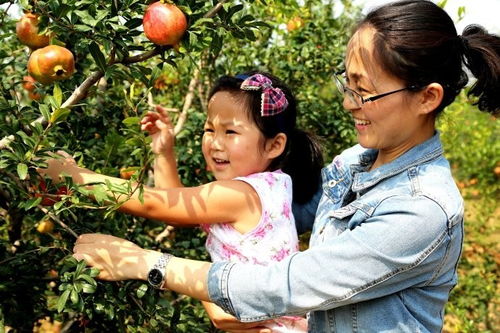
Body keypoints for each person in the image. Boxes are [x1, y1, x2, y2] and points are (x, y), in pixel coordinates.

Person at [58, 0, 500, 331]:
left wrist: (146, 262)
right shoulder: (352, 166)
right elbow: (267, 217)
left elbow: (286, 286)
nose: (348, 103)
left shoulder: (424, 210)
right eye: (347, 83)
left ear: (428, 97)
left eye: (364, 91)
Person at [39, 71, 323, 332]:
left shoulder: (242, 195)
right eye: (209, 129)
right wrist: (164, 152)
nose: (215, 142)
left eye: (231, 132)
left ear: (274, 145)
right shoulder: (272, 185)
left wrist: (76, 177)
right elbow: (178, 208)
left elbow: (156, 204)